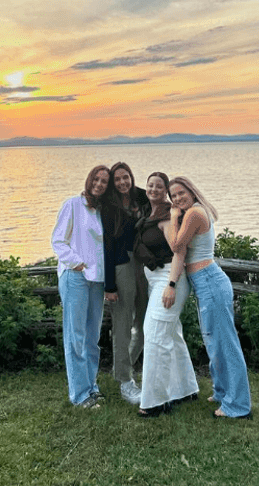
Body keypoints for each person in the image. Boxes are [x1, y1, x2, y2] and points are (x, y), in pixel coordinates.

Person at [162, 176, 252, 419]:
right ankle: (223, 391)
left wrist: (171, 217)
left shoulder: (192, 214)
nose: (177, 198)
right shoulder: (196, 210)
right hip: (205, 282)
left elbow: (176, 245)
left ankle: (238, 405)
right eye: (173, 196)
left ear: (191, 191)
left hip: (210, 281)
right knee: (214, 341)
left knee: (226, 344)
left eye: (181, 193)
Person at [131, 171, 200, 417]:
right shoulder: (146, 213)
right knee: (173, 333)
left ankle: (154, 401)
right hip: (153, 280)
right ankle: (186, 388)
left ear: (166, 192)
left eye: (160, 187)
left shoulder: (170, 215)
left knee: (155, 334)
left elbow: (178, 250)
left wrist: (171, 284)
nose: (153, 190)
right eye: (150, 185)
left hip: (169, 279)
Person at [52, 165, 109, 408]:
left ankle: (91, 386)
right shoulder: (73, 205)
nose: (99, 184)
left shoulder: (104, 212)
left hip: (97, 281)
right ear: (89, 180)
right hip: (75, 277)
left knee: (92, 338)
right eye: (96, 179)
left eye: (104, 181)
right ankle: (79, 394)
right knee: (75, 337)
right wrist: (76, 263)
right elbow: (58, 240)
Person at [101, 161, 150, 404]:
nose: (122, 182)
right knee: (122, 325)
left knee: (146, 322)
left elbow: (164, 205)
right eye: (117, 179)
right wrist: (109, 285)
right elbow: (107, 247)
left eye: (125, 177)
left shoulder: (142, 196)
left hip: (145, 265)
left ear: (131, 177)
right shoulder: (109, 207)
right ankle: (125, 381)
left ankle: (125, 368)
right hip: (121, 266)